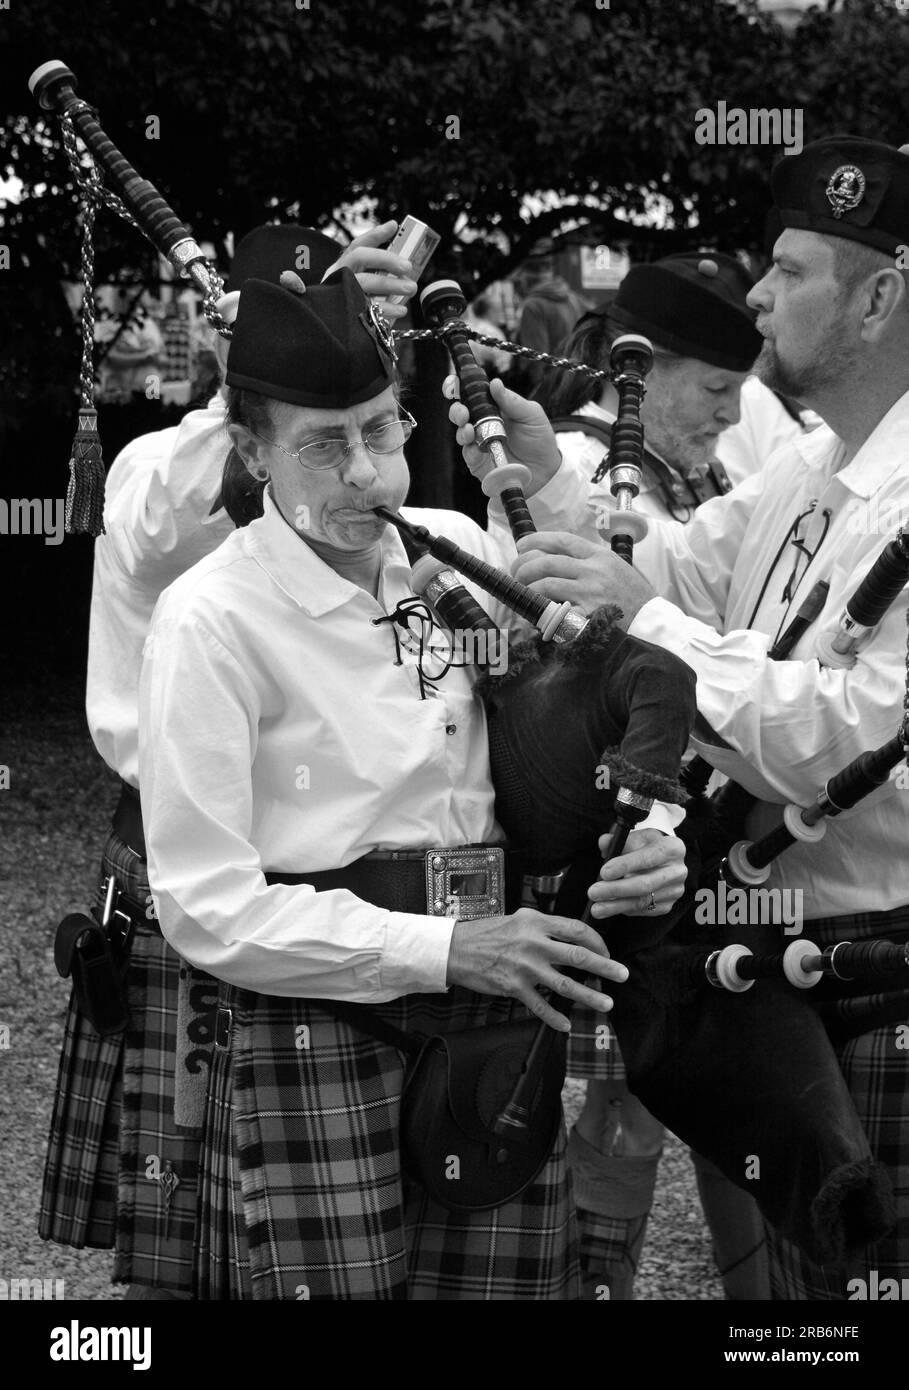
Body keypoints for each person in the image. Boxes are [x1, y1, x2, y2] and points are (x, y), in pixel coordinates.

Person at [137, 266, 688, 1300]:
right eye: (321, 444)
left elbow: (590, 721)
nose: (366, 476)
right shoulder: (212, 619)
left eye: (382, 431)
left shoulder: (466, 555)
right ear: (252, 454)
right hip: (326, 1024)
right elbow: (205, 904)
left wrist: (652, 830)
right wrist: (447, 947)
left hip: (495, 1004)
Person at [455, 135, 909, 1302]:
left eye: (792, 271)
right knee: (806, 1298)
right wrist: (548, 476)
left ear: (880, 300)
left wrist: (650, 625)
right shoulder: (813, 467)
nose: (756, 297)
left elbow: (866, 727)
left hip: (884, 962)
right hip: (775, 958)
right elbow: (678, 571)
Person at [39, 221, 421, 1299]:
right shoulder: (158, 468)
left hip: (315, 875)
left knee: (284, 1239)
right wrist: (268, 385)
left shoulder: (345, 470)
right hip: (183, 862)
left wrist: (348, 364)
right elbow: (182, 513)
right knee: (180, 1238)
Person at [533, 252, 809, 519]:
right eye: (716, 388)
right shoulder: (568, 474)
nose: (734, 416)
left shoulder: (682, 459)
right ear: (632, 368)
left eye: (740, 388)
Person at [511, 255, 591, 392]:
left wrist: (538, 395)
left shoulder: (533, 305)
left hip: (550, 388)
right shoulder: (572, 297)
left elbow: (535, 357)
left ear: (525, 277)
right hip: (576, 383)